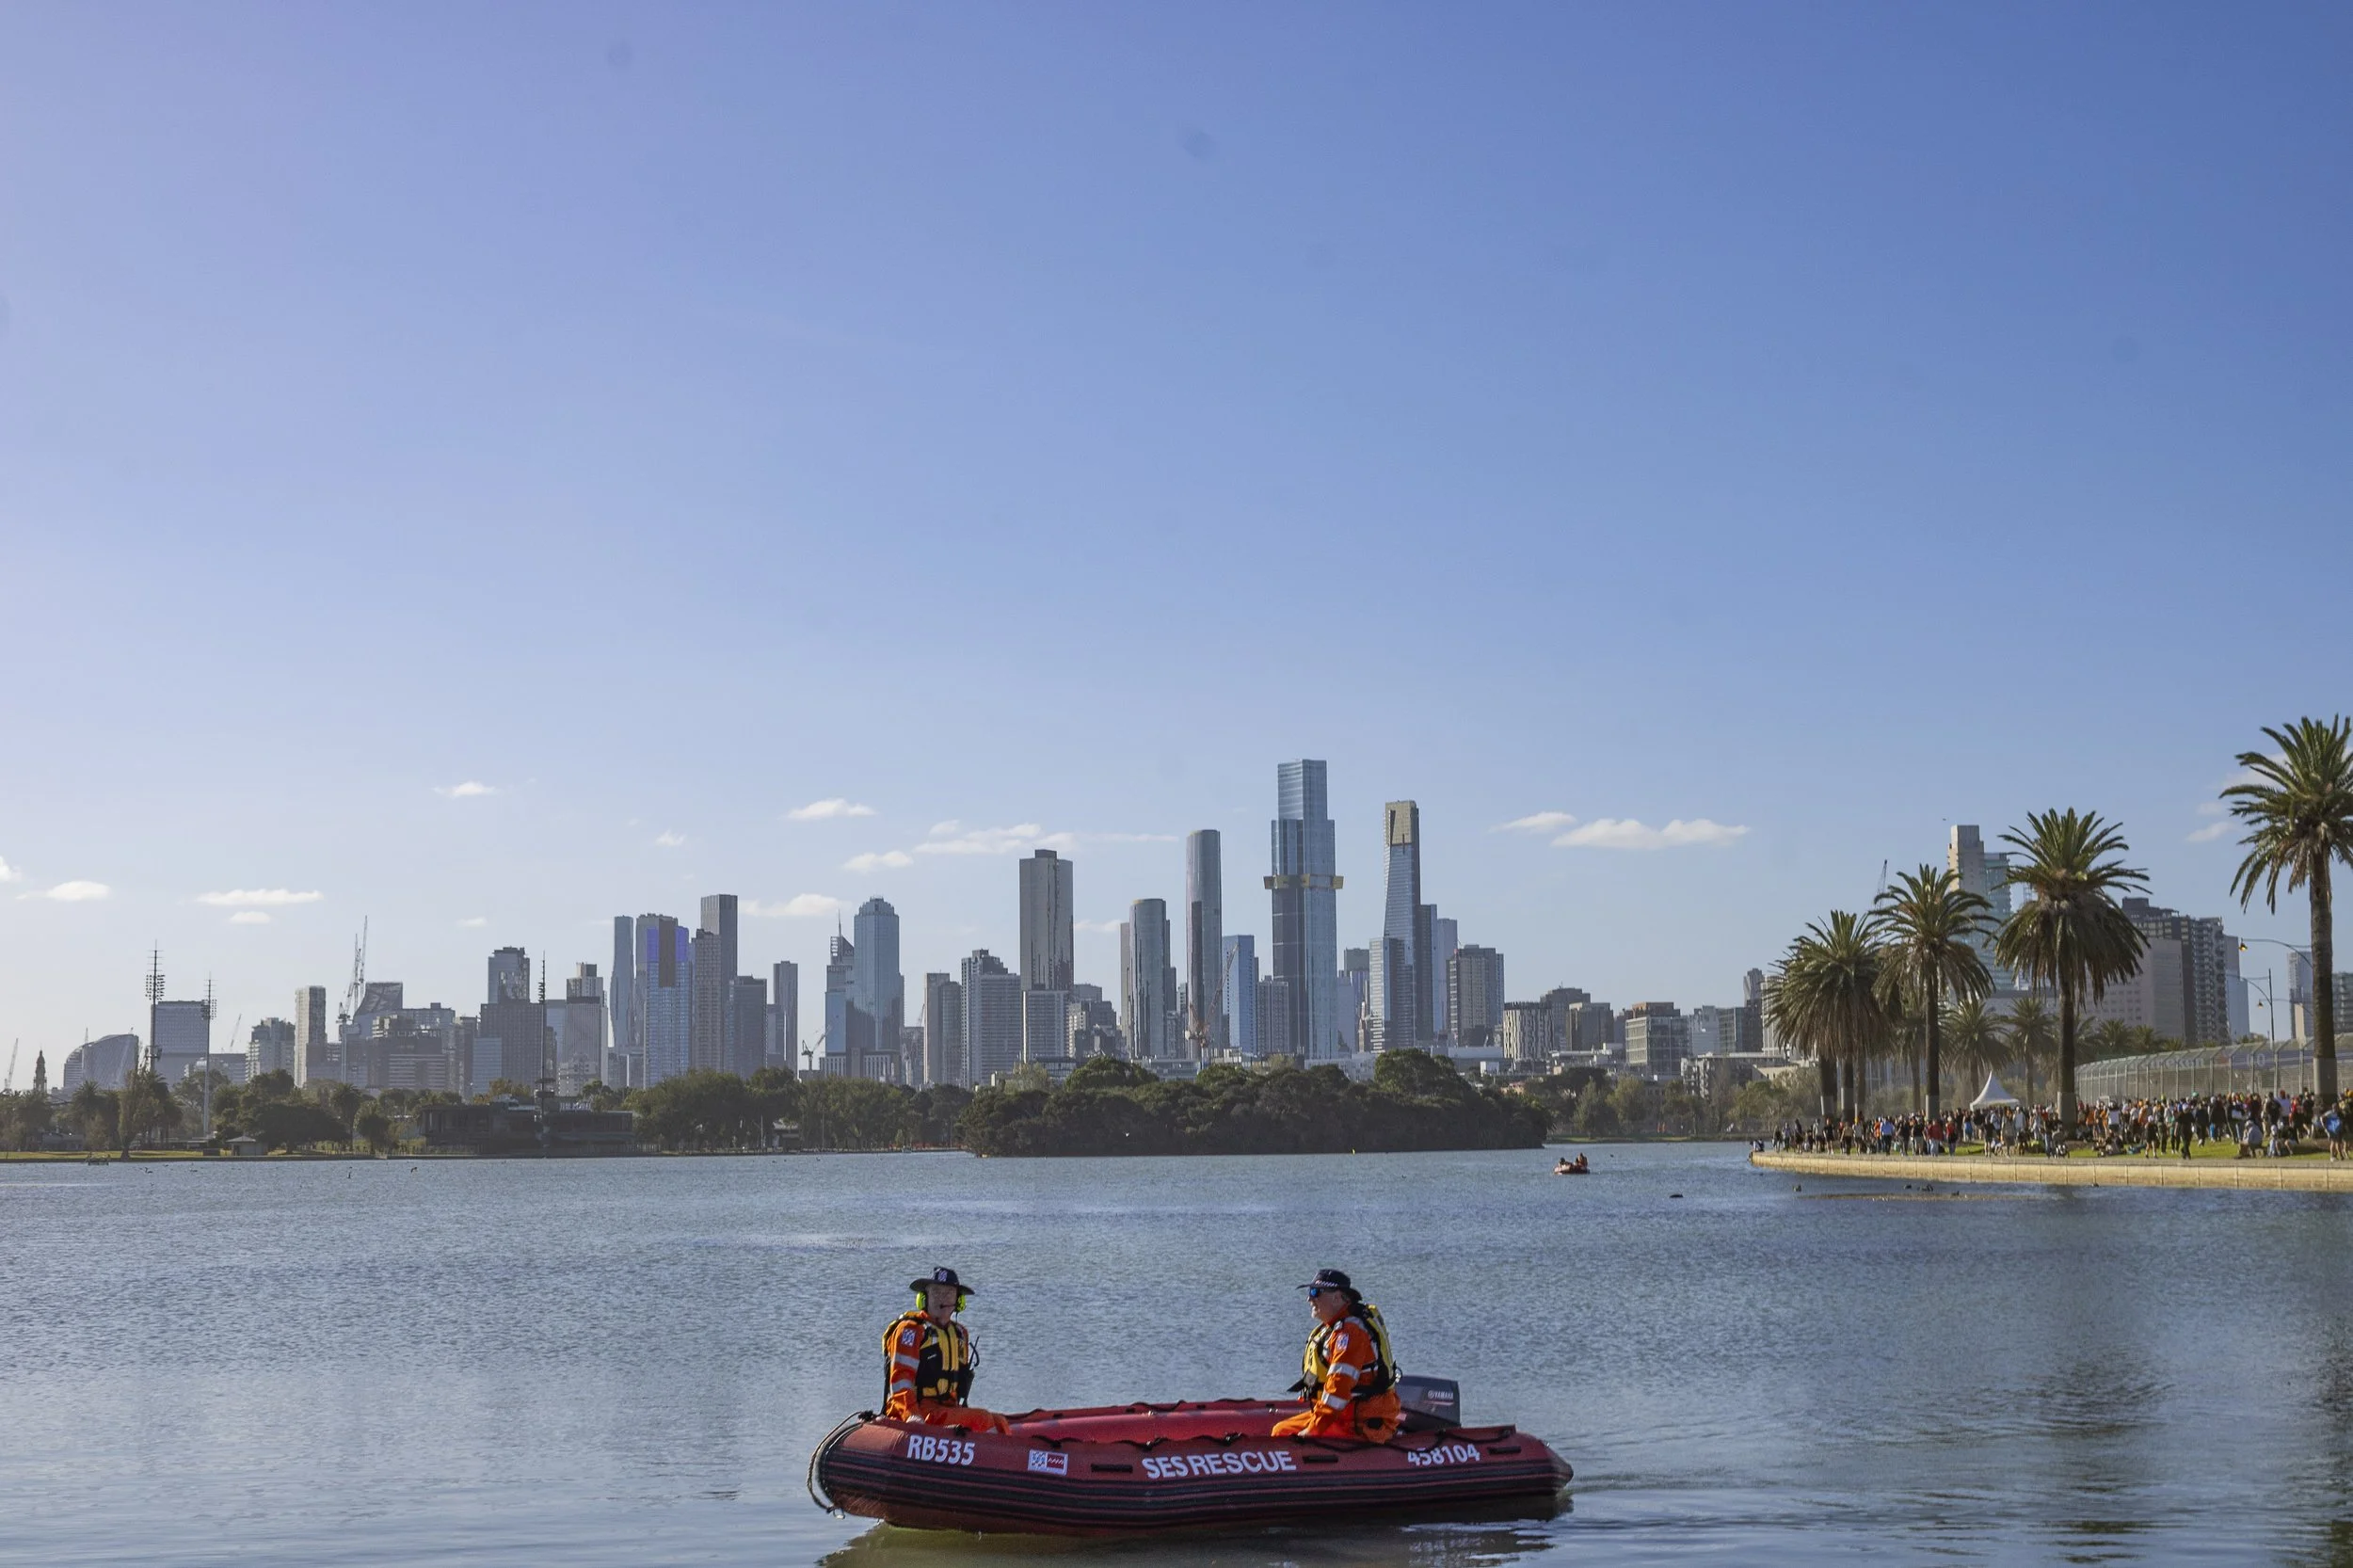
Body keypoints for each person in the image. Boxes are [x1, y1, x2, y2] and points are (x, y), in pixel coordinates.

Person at [1272, 1269, 1401, 1443]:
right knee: (1280, 1429)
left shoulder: (1349, 1334)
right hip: (1346, 1415)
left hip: (1361, 1423)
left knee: (1283, 1434)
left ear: (1337, 1297)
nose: (1309, 1299)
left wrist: (1312, 1430)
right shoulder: (1335, 1328)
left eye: (1316, 1292)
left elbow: (1338, 1389)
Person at [883, 1266, 1009, 1433]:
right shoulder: (910, 1330)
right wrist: (911, 1414)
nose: (941, 1298)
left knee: (999, 1422)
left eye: (948, 1293)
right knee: (982, 1418)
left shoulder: (960, 1333)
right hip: (919, 1410)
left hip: (945, 1410)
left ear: (958, 1301)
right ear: (924, 1298)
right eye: (936, 1292)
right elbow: (900, 1380)